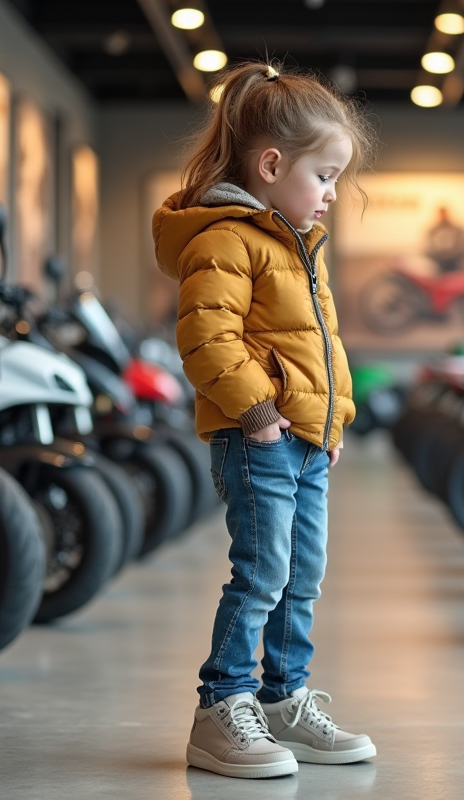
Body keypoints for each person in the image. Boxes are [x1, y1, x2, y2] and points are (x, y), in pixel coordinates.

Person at [151, 61, 378, 780]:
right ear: (272, 164)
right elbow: (205, 336)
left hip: (304, 440)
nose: (333, 194)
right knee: (262, 573)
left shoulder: (298, 245)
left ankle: (283, 701)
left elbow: (321, 344)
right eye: (325, 175)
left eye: (339, 178)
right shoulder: (225, 239)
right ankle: (222, 707)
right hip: (257, 437)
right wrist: (255, 410)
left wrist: (332, 422)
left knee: (301, 574)